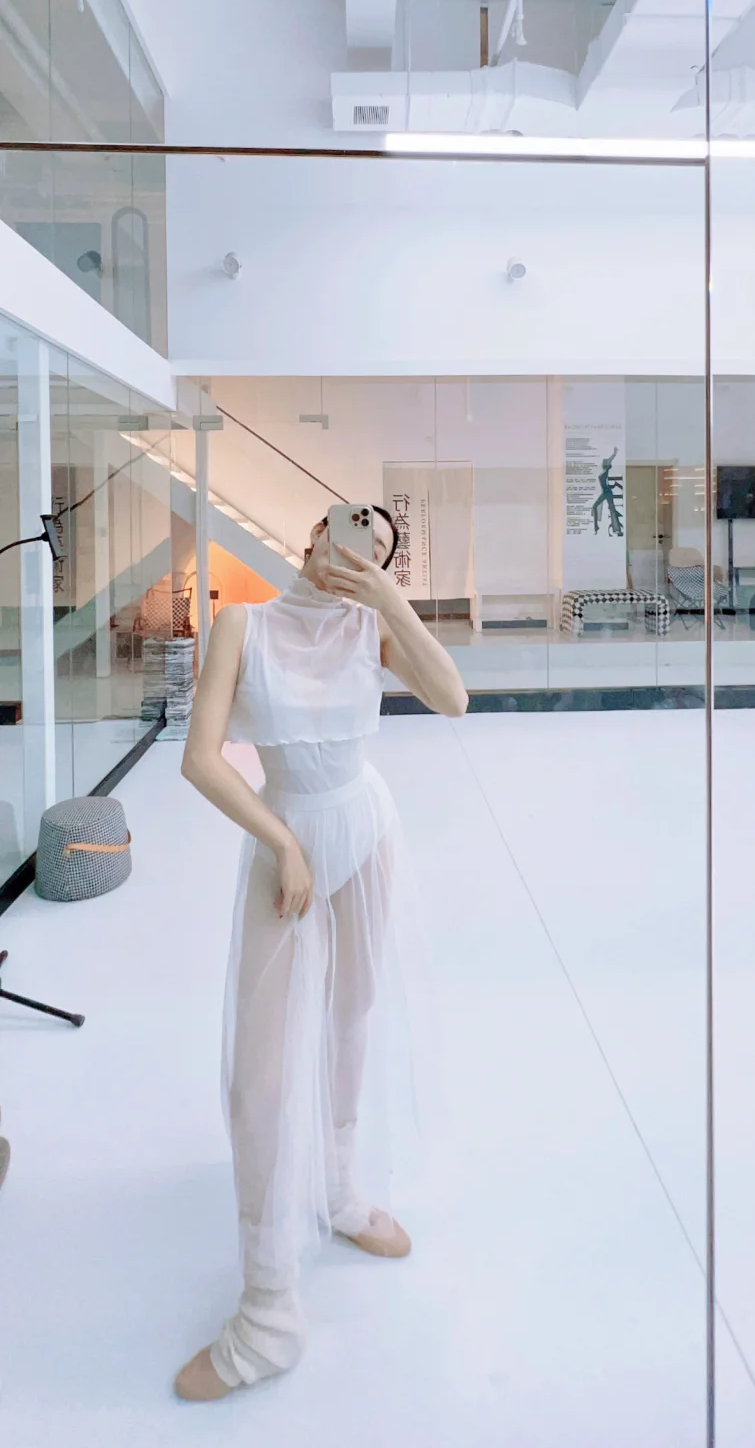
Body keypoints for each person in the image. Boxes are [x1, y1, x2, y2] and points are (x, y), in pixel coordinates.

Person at [174, 509, 467, 1402]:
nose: (359, 541)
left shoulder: (371, 626)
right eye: (350, 525)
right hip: (290, 837)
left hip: (363, 827)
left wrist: (389, 601)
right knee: (259, 1077)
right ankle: (268, 1311)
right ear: (313, 534)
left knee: (351, 1017)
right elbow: (200, 759)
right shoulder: (243, 625)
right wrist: (282, 842)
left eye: (378, 547)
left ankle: (337, 1190)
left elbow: (453, 699)